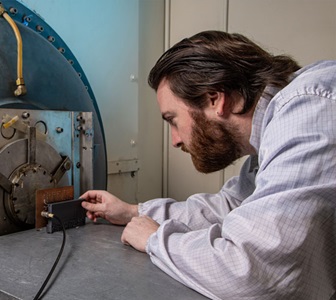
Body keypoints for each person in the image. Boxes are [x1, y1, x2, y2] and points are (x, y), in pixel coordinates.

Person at [81, 31, 336, 300]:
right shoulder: (271, 133)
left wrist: (155, 240)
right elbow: (229, 206)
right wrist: (132, 212)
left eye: (173, 120)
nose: (175, 140)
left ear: (215, 98)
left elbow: (253, 275)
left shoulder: (309, 114)